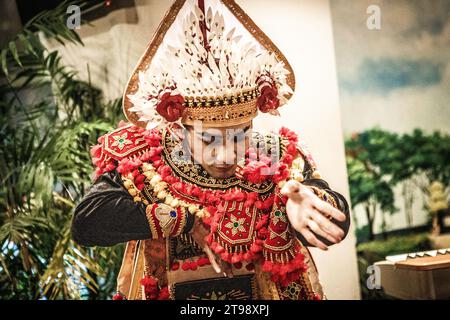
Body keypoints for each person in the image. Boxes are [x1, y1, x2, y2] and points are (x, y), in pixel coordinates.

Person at [71, 0, 350, 300]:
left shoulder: (275, 156)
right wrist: (185, 222)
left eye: (241, 135)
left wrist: (312, 201)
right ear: (178, 130)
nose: (227, 155)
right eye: (208, 141)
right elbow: (87, 222)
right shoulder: (146, 160)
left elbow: (333, 222)